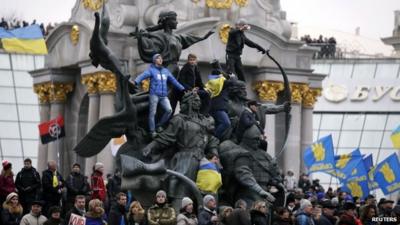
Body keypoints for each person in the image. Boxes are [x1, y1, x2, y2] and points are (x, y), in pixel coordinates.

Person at [133, 53, 185, 137]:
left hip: (163, 96)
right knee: (153, 113)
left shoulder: (165, 71)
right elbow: (142, 76)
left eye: (161, 58)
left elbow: (174, 81)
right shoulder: (151, 70)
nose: (160, 60)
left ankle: (159, 125)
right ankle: (152, 131)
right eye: (158, 58)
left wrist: (182, 88)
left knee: (169, 110)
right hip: (154, 95)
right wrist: (135, 81)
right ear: (154, 61)